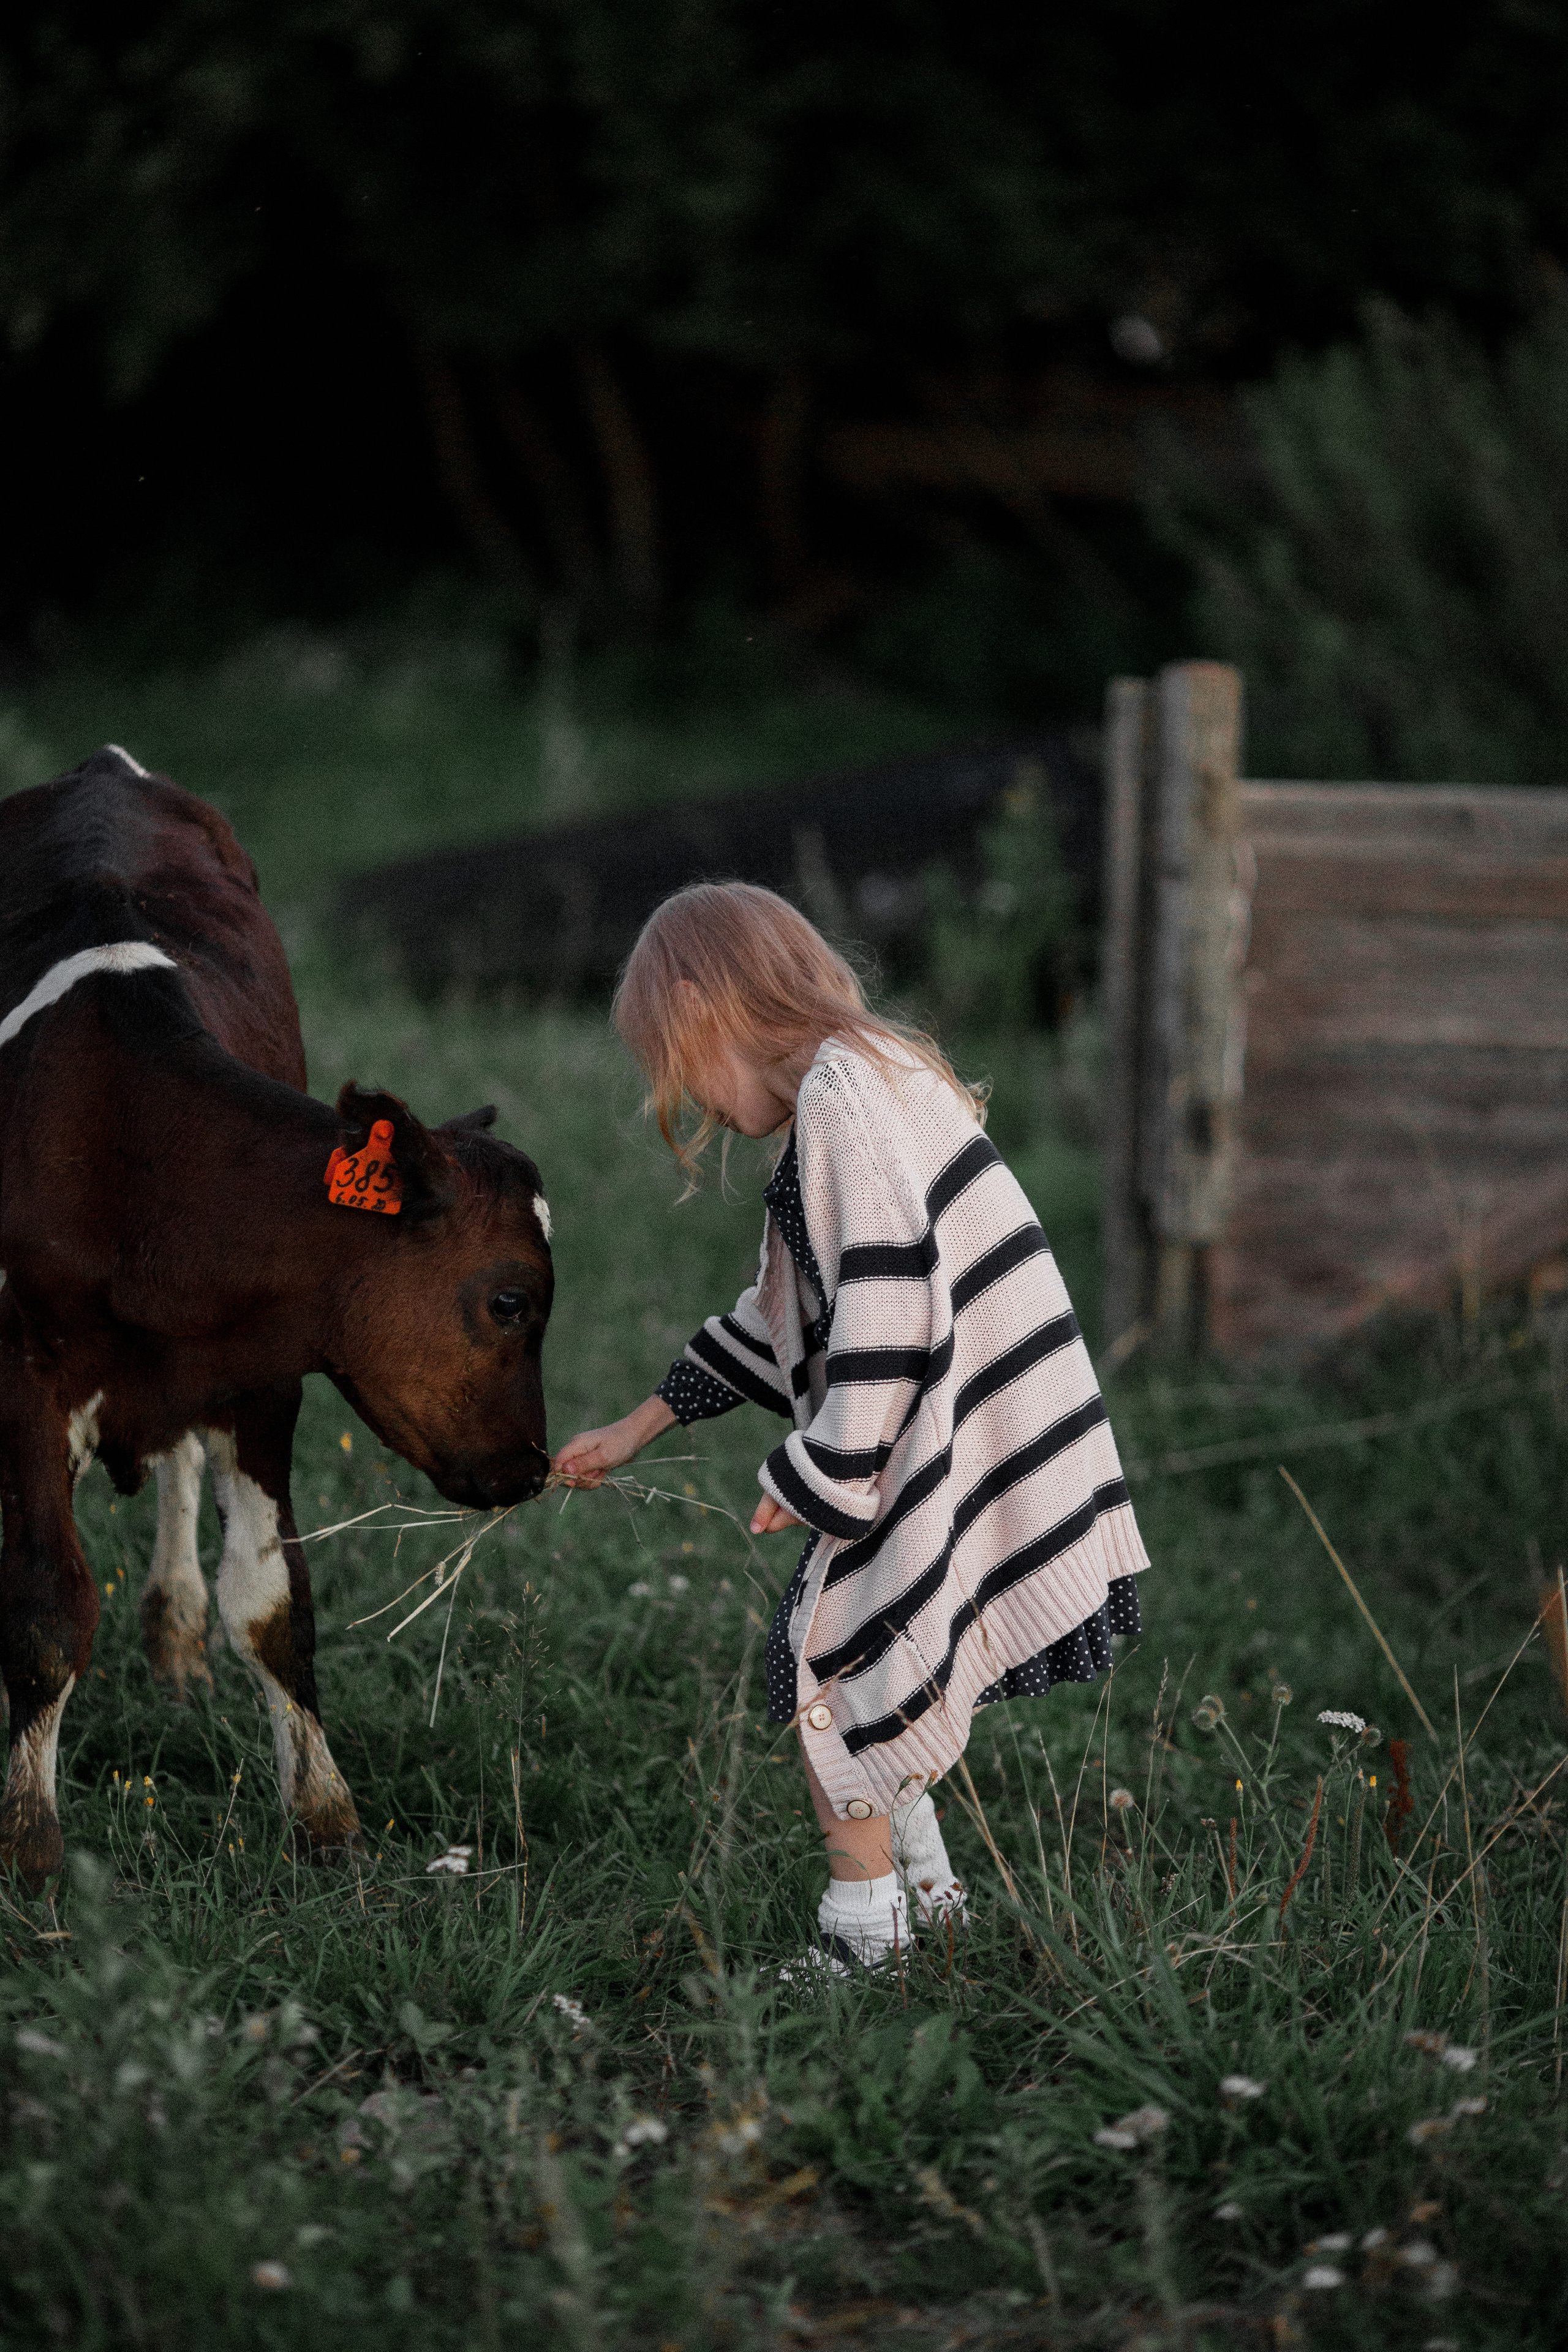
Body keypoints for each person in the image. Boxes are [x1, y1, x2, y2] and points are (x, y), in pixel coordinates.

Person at [553, 881, 1147, 1972]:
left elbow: (885, 1305)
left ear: (701, 1010)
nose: (680, 1097)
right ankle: (933, 1905)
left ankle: (867, 1940)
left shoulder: (841, 1097)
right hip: (964, 1426)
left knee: (833, 1667)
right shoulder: (867, 1079)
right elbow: (783, 1316)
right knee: (879, 1659)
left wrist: (828, 1469)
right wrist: (640, 1426)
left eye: (671, 1064)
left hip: (945, 1433)